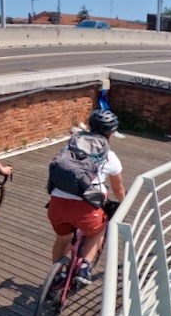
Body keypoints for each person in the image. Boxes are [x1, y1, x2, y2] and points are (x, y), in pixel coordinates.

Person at [46, 109, 127, 284]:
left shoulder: (70, 146)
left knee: (62, 239)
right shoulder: (110, 157)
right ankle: (84, 267)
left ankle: (57, 275)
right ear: (111, 133)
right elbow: (118, 188)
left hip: (57, 204)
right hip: (86, 209)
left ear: (90, 126)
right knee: (98, 230)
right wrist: (125, 202)